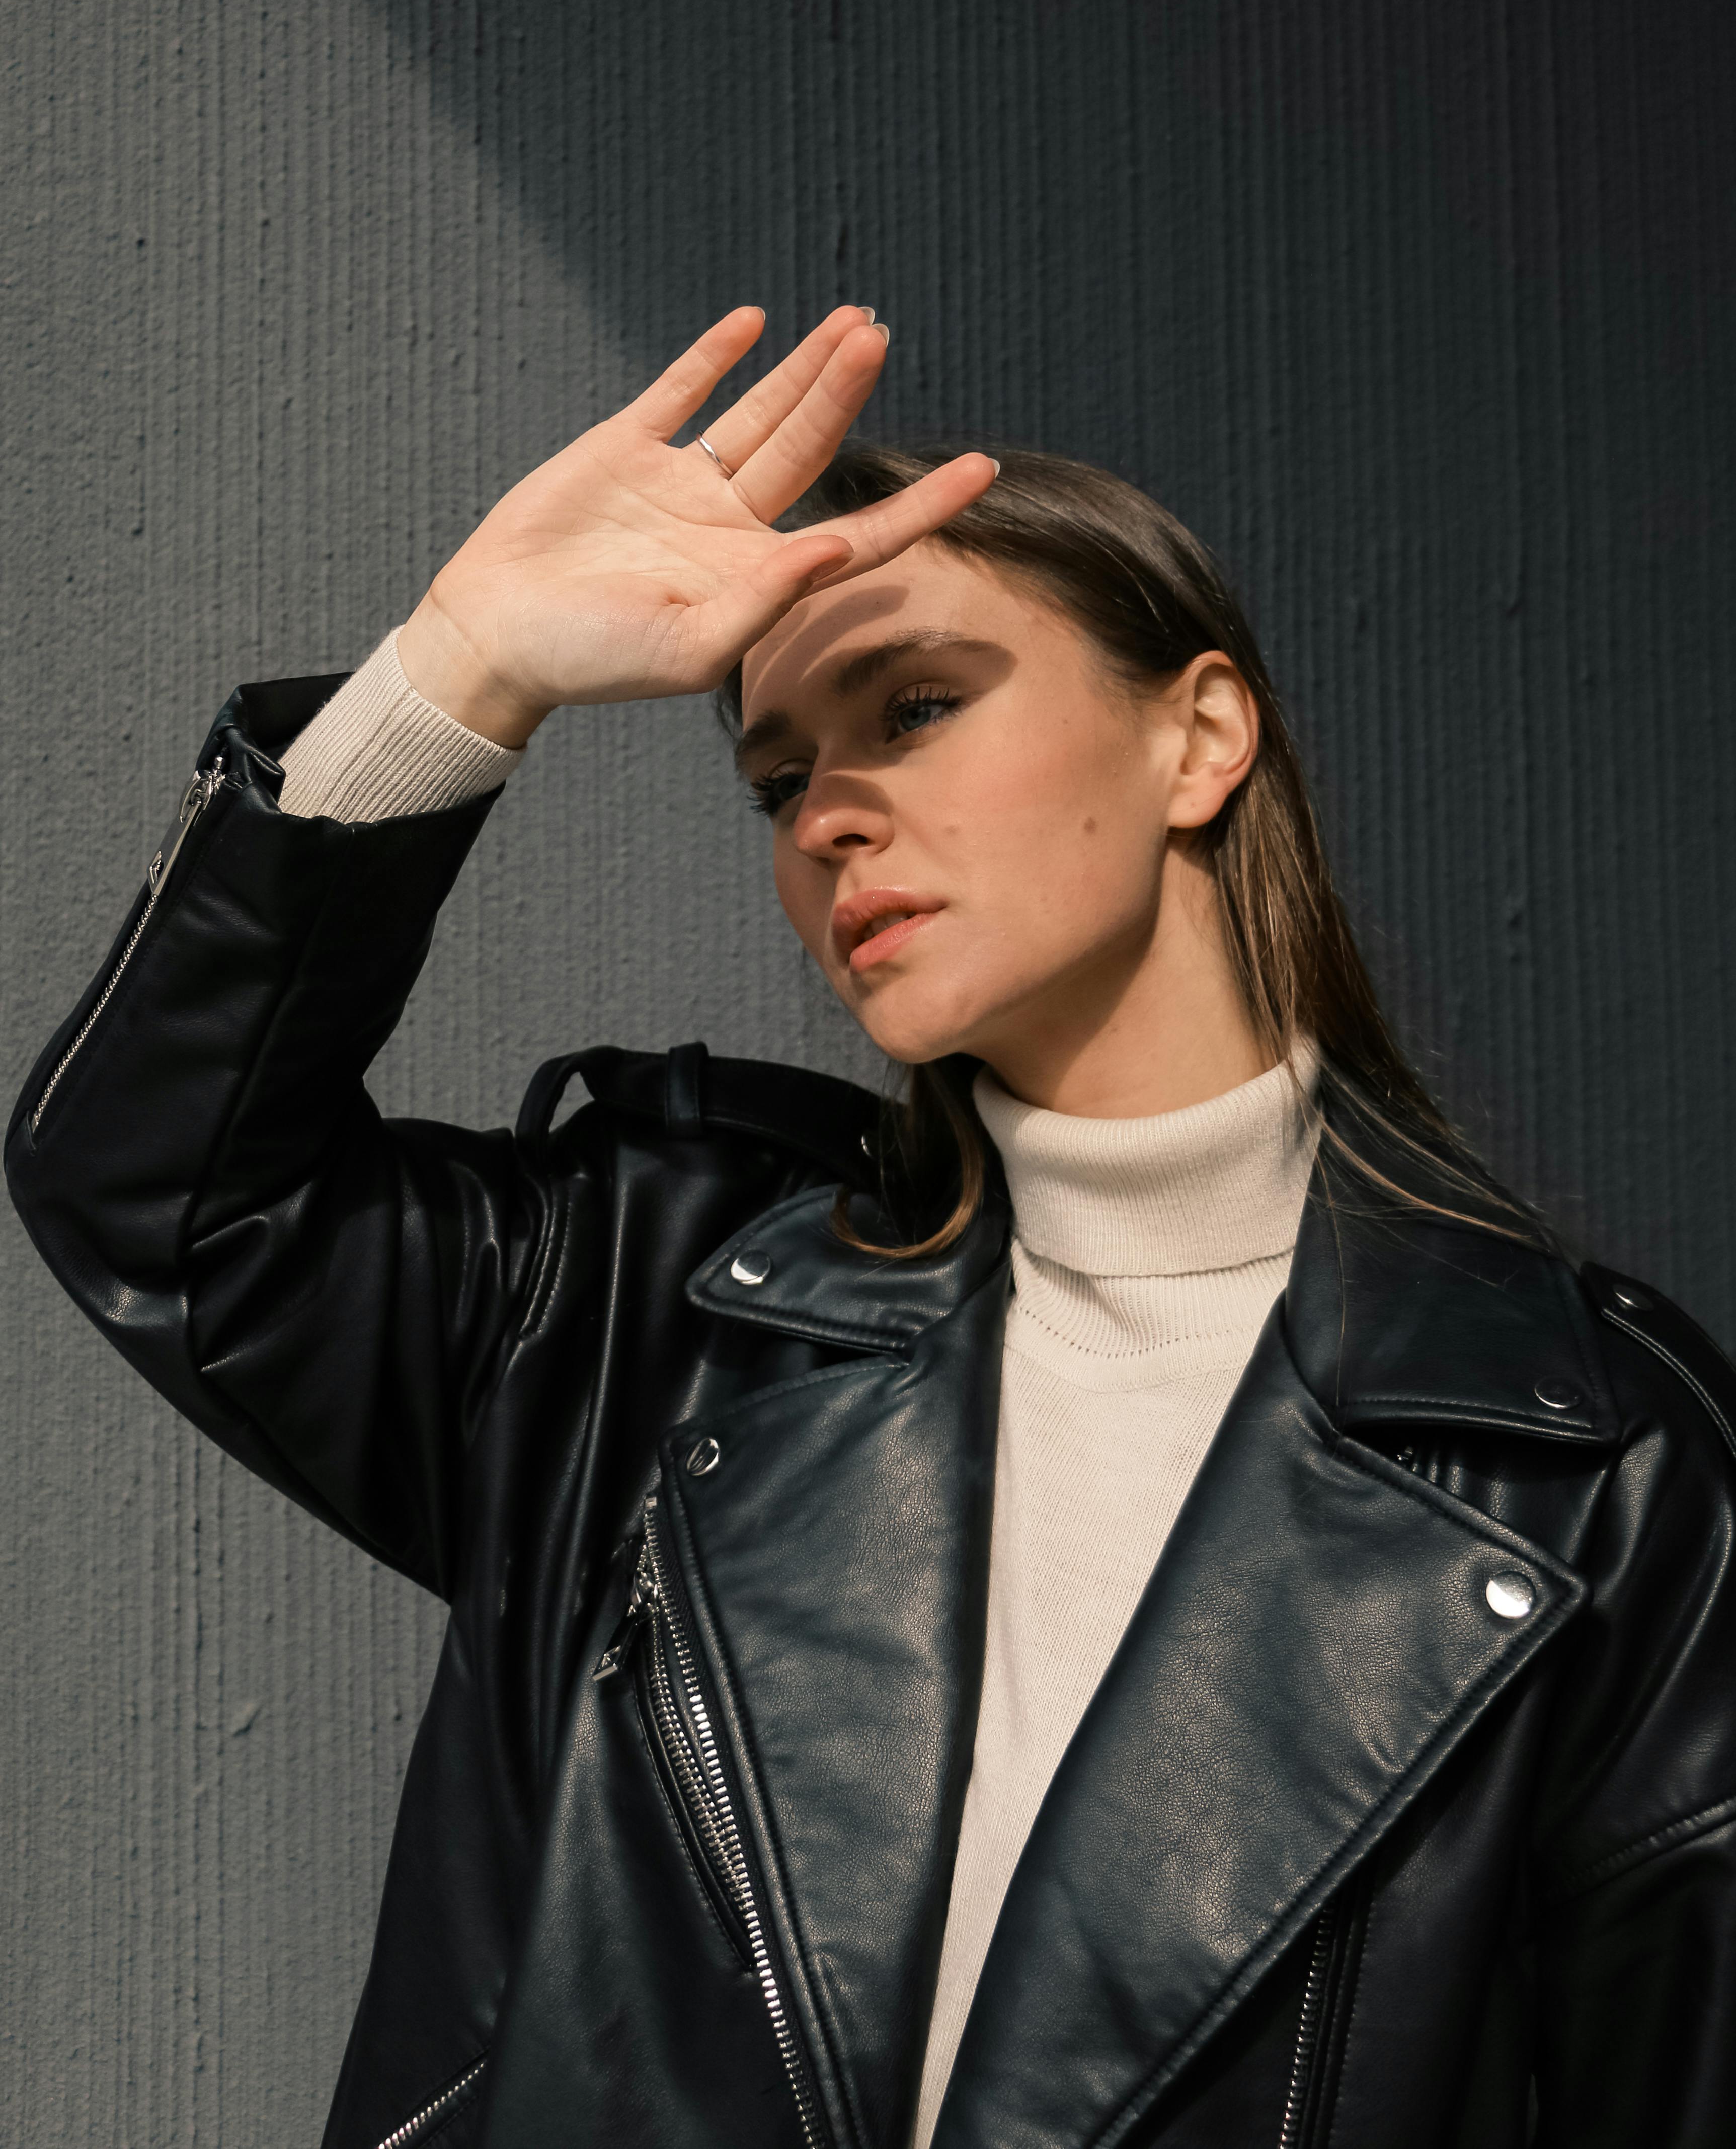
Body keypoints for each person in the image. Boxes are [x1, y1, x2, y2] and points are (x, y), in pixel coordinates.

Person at [9, 303, 1736, 2149]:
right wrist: (464, 668)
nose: (826, 812)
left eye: (915, 707)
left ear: (1198, 739)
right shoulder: (651, 1310)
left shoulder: (1587, 1455)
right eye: (774, 779)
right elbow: (163, 1190)